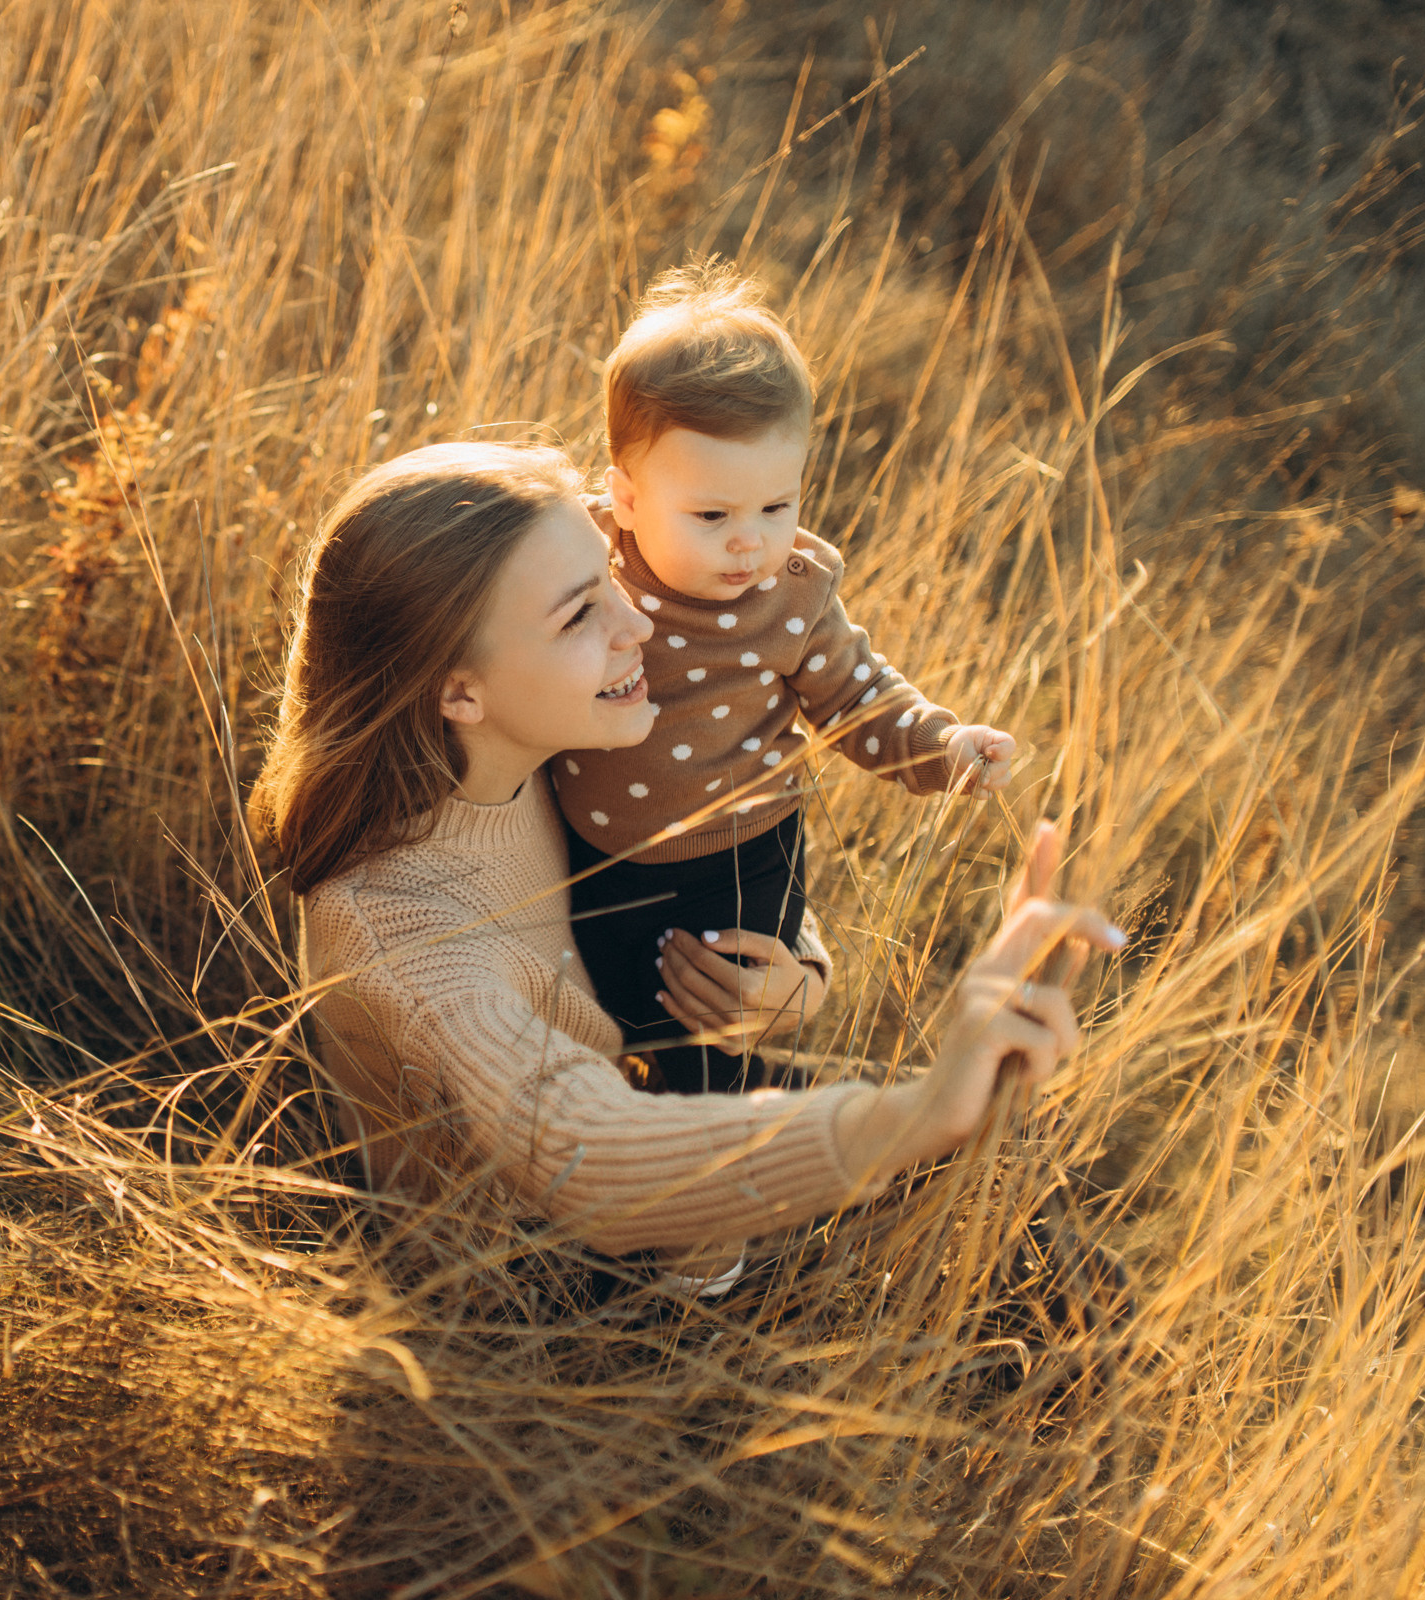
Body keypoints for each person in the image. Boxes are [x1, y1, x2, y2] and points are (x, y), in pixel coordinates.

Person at [247, 441, 1120, 1294]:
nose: (639, 623)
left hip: (663, 1101)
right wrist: (914, 1116)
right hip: (547, 1283)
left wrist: (792, 982)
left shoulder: (553, 753)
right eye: (578, 615)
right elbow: (589, 1156)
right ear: (459, 691)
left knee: (1028, 1195)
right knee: (1015, 1264)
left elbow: (711, 862)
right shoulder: (403, 931)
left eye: (611, 577)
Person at [551, 261, 1018, 1094]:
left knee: (713, 1028)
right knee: (609, 1011)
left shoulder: (793, 598)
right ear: (626, 498)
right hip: (593, 850)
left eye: (777, 507)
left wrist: (943, 746)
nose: (750, 542)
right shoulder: (582, 559)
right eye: (712, 514)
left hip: (742, 859)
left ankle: (744, 1124)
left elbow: (859, 697)